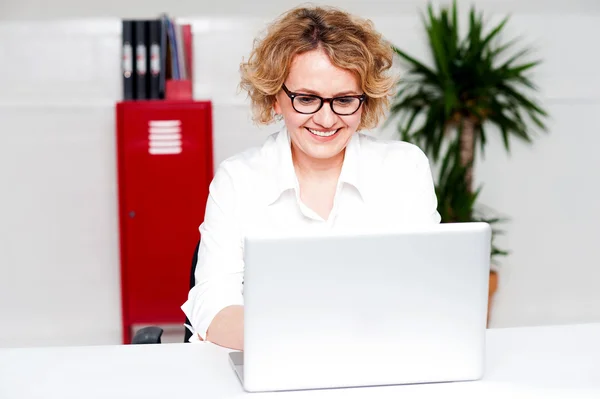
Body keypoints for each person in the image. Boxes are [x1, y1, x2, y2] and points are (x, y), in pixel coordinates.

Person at [181, 5, 440, 350]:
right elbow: (213, 307)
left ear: (364, 101)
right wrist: (311, 341)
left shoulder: (404, 170)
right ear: (276, 98)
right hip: (271, 363)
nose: (326, 119)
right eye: (306, 99)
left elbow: (426, 293)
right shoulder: (238, 179)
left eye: (344, 99)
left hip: (378, 362)